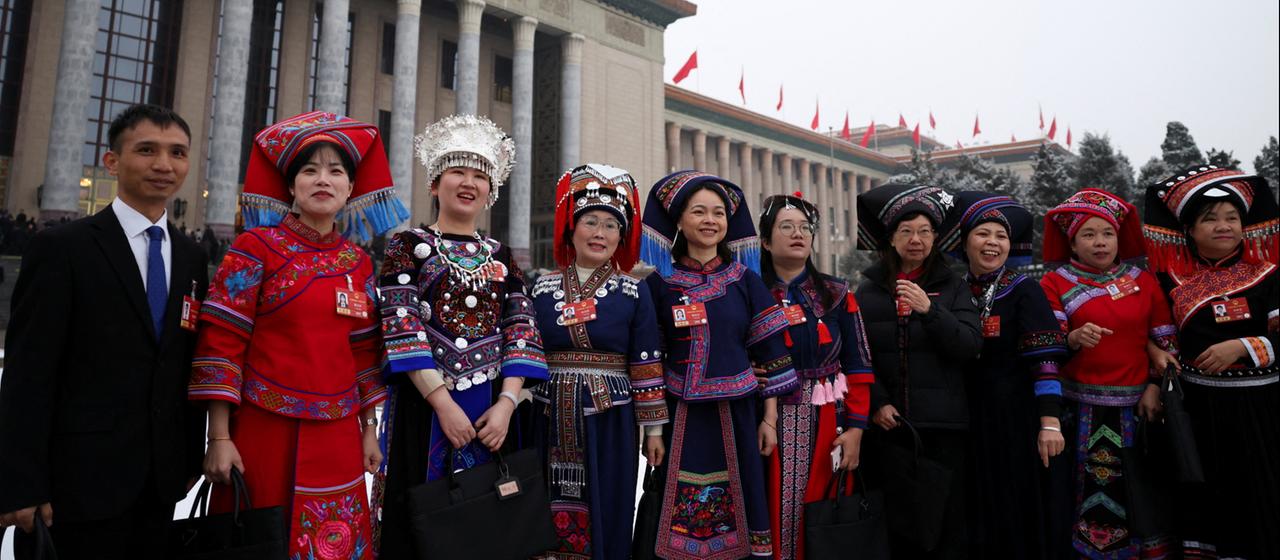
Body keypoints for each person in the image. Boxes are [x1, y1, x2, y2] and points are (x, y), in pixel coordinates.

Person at [190, 111, 407, 559]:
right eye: (309, 170)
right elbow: (222, 342)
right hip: (263, 432)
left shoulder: (359, 263)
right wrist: (219, 438)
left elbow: (364, 354)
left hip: (338, 436)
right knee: (259, 542)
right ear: (291, 186)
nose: (322, 180)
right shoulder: (256, 248)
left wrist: (370, 430)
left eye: (336, 171)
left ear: (350, 188)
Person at [0, 104, 208, 558]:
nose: (163, 165)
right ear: (112, 161)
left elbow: (183, 362)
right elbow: (28, 373)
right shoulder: (62, 248)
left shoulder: (192, 257)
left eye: (177, 152)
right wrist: (21, 484)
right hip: (76, 485)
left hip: (160, 484)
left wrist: (191, 457)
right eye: (147, 150)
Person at [373, 114, 548, 557]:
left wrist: (507, 405)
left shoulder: (501, 255)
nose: (468, 183)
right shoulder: (406, 246)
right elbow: (401, 323)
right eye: (457, 171)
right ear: (435, 183)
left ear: (491, 191)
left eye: (480, 175)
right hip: (424, 404)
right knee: (424, 520)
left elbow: (521, 330)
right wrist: (443, 404)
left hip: (491, 410)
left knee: (488, 518)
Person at [640, 170, 798, 559]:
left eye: (718, 213)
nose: (710, 221)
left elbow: (771, 349)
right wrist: (653, 431)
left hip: (740, 413)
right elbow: (648, 361)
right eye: (698, 212)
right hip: (680, 416)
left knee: (743, 502)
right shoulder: (658, 283)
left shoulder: (745, 279)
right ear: (679, 220)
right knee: (677, 503)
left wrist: (769, 419)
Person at [529, 163, 668, 558]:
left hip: (609, 416)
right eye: (590, 221)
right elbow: (525, 348)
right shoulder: (541, 286)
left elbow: (646, 362)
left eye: (611, 225)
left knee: (608, 498)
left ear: (621, 237)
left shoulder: (633, 292)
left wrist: (654, 430)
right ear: (572, 229)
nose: (600, 233)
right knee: (542, 498)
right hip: (547, 411)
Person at [1142, 165, 1279, 559]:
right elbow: (1149, 334)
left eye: (1232, 217)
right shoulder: (1167, 280)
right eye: (1211, 219)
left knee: (1262, 494)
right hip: (1197, 410)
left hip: (1262, 410)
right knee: (1208, 499)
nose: (1224, 226)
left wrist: (1243, 346)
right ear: (1189, 229)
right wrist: (1154, 360)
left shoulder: (1268, 274)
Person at [1039, 188, 1178, 559]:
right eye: (1089, 234)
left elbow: (1166, 342)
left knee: (1141, 491)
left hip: (1140, 409)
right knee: (1081, 490)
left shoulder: (1143, 280)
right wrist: (1072, 337)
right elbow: (1047, 348)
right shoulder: (1054, 283)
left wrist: (1153, 385)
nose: (1100, 242)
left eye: (1107, 233)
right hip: (1076, 410)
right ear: (1072, 242)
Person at [853, 184, 981, 559]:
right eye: (906, 231)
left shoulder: (953, 286)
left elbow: (969, 346)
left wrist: (930, 310)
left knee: (943, 525)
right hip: (889, 429)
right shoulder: (870, 290)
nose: (916, 239)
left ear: (935, 239)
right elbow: (858, 354)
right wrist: (876, 402)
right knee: (897, 527)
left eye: (925, 232)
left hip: (943, 429)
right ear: (891, 239)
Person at [937, 192, 1067, 558]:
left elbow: (1045, 359)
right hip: (968, 419)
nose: (993, 242)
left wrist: (1050, 422)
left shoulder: (1024, 289)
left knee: (1016, 505)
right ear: (964, 243)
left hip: (1017, 419)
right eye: (983, 234)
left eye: (1001, 235)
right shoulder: (954, 290)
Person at [756, 192, 874, 560]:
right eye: (786, 226)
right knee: (763, 506)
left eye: (805, 228)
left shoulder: (837, 293)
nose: (798, 234)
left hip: (826, 419)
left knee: (822, 512)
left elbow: (859, 365)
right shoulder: (750, 292)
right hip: (761, 418)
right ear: (764, 240)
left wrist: (855, 429)